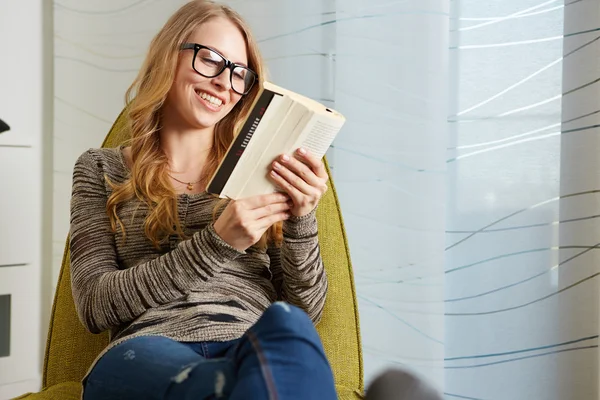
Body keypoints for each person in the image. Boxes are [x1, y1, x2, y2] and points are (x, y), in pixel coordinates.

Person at [69, 1, 335, 399]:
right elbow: (95, 305)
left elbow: (305, 308)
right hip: (148, 349)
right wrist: (218, 242)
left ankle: (231, 385)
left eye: (240, 74)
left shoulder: (263, 169)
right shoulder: (100, 169)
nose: (225, 83)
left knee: (288, 325)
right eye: (210, 60)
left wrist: (301, 218)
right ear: (168, 55)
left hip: (248, 340)